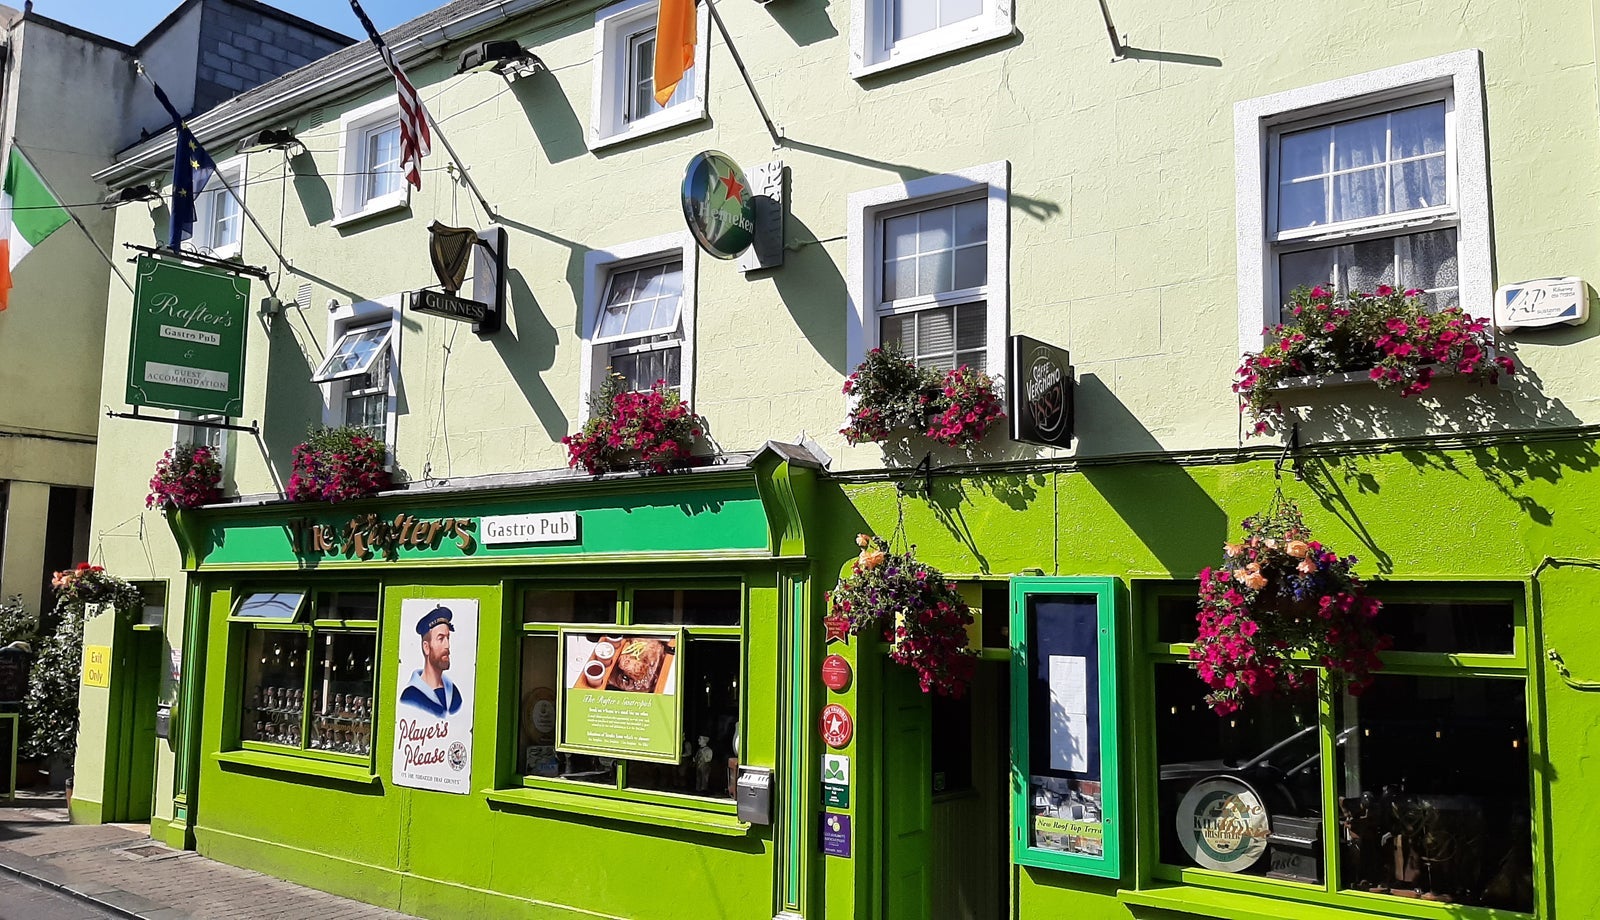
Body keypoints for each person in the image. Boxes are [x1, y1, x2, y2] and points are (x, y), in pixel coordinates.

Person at [400, 605, 463, 717]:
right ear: (426, 647)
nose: (447, 645)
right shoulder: (411, 697)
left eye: (448, 638)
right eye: (441, 638)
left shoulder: (454, 695)